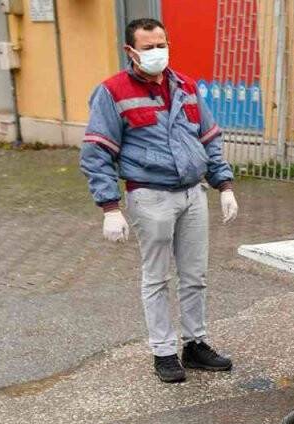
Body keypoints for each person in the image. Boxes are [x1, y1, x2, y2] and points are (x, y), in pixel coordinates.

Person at [79, 18, 238, 383]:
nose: (157, 53)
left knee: (195, 275)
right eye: (148, 47)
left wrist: (224, 184)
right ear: (130, 51)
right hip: (149, 195)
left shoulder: (185, 86)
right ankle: (163, 351)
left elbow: (209, 137)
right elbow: (97, 152)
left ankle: (196, 344)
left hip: (192, 193)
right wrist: (109, 207)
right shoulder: (112, 92)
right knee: (156, 277)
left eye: (161, 45)